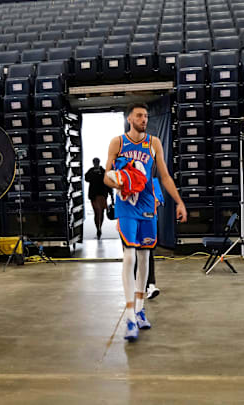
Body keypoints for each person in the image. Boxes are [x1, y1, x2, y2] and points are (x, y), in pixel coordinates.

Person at [104, 103, 187, 342]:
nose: (144, 119)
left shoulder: (153, 143)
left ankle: (140, 308)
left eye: (146, 116)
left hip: (148, 205)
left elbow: (164, 176)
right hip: (126, 205)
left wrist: (179, 202)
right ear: (130, 118)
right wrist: (119, 181)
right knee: (129, 254)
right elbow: (106, 176)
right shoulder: (117, 143)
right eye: (139, 115)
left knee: (144, 257)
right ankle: (129, 315)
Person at [85, 157, 113, 240]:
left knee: (101, 212)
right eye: (94, 162)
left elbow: (108, 184)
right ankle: (98, 228)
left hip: (102, 195)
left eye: (97, 162)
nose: (96, 164)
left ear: (99, 162)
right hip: (94, 196)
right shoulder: (91, 171)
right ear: (93, 163)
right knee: (97, 212)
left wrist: (111, 195)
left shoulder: (104, 171)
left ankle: (100, 227)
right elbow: (86, 178)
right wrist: (94, 173)